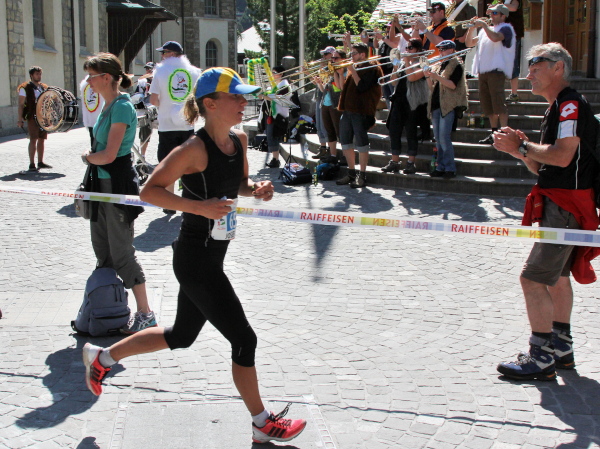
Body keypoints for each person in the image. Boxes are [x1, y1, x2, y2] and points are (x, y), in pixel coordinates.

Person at [82, 67, 307, 444]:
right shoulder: (192, 149)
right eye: (236, 96)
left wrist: (256, 189)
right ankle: (261, 422)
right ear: (211, 104)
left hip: (212, 256)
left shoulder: (238, 139)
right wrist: (198, 207)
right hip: (195, 260)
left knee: (182, 335)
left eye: (244, 96)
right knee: (244, 340)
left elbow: (238, 184)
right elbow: (149, 191)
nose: (243, 102)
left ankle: (101, 358)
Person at [493, 43, 600, 381]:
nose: (529, 74)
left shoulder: (569, 105)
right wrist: (521, 152)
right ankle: (561, 348)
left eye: (536, 66)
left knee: (533, 279)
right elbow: (545, 168)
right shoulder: (558, 107)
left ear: (558, 68)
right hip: (564, 201)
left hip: (566, 204)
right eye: (529, 67)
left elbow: (563, 157)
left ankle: (541, 357)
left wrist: (523, 146)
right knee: (558, 278)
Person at [80, 53, 156, 334]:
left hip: (116, 186)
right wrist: (92, 160)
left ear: (107, 77)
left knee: (122, 253)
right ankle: (110, 309)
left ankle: (146, 313)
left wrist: (87, 157)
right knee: (103, 251)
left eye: (91, 76)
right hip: (100, 186)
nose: (88, 81)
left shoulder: (121, 107)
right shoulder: (107, 106)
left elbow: (109, 155)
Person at [149, 41, 202, 214]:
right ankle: (188, 199)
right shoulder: (194, 71)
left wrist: (166, 105)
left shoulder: (160, 71)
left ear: (171, 54)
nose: (162, 56)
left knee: (167, 163)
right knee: (188, 163)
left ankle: (170, 204)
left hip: (167, 125)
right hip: (187, 123)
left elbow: (153, 99)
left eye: (164, 53)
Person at [465, 4, 515, 144]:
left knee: (499, 103)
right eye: (491, 13)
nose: (491, 16)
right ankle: (494, 133)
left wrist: (483, 25)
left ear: (503, 16)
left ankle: (504, 133)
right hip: (483, 72)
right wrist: (471, 28)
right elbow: (469, 43)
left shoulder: (506, 28)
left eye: (495, 13)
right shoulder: (485, 31)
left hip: (496, 71)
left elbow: (495, 38)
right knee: (488, 105)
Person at [336, 42, 382, 189]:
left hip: (361, 111)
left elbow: (362, 87)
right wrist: (340, 73)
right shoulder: (355, 68)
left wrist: (352, 70)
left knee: (361, 143)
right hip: (348, 110)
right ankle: (351, 172)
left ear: (362, 54)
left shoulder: (373, 69)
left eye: (354, 53)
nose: (351, 56)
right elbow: (344, 88)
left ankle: (362, 175)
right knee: (345, 142)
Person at [382, 38, 429, 175]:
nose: (407, 50)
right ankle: (394, 161)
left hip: (413, 102)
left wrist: (407, 61)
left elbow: (412, 78)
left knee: (411, 132)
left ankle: (410, 163)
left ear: (418, 50)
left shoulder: (422, 63)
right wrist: (396, 66)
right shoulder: (403, 64)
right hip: (399, 100)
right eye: (406, 48)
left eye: (410, 48)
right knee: (394, 130)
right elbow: (393, 82)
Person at [424, 40, 468, 179]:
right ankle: (440, 167)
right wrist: (428, 76)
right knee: (438, 139)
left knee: (444, 138)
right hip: (436, 104)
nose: (441, 52)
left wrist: (436, 76)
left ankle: (450, 168)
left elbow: (452, 85)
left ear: (451, 50)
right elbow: (432, 87)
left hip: (448, 105)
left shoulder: (457, 65)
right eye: (440, 49)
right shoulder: (438, 65)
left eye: (444, 49)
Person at [313, 50, 346, 164]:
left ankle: (345, 156)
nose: (333, 60)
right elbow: (324, 89)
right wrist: (319, 83)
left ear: (342, 59)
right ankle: (333, 155)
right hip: (325, 103)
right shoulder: (330, 70)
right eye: (332, 58)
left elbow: (339, 87)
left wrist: (336, 73)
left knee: (339, 131)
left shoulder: (344, 71)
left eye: (336, 58)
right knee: (329, 131)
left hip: (336, 104)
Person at [17, 66, 52, 173]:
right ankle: (32, 164)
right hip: (32, 116)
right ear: (31, 75)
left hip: (43, 117)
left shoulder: (43, 87)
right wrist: (20, 119)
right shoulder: (25, 88)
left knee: (42, 139)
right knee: (33, 139)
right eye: (37, 74)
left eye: (40, 74)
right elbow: (21, 104)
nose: (39, 76)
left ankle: (40, 162)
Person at [261, 66, 291, 168]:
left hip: (278, 115)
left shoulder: (284, 86)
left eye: (274, 72)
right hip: (271, 114)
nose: (272, 75)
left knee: (274, 135)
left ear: (281, 74)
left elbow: (277, 98)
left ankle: (276, 159)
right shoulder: (274, 86)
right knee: (270, 135)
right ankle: (275, 159)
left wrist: (263, 96)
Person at [312, 46, 336, 161]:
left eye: (326, 54)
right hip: (319, 96)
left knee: (324, 124)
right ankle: (322, 148)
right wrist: (308, 72)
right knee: (319, 124)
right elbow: (316, 83)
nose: (323, 57)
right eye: (324, 54)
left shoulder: (331, 69)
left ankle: (329, 151)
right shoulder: (323, 68)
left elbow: (327, 84)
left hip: (326, 98)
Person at [503, 0, 524, 103]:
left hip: (514, 35)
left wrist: (498, 6)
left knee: (513, 63)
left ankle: (514, 93)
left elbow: (514, 7)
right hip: (502, 34)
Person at [134, 62, 155, 157]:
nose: (148, 70)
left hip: (159, 109)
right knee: (144, 132)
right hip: (146, 110)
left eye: (150, 69)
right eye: (147, 69)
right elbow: (137, 95)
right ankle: (142, 156)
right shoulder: (142, 82)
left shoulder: (160, 80)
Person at [80, 76, 104, 150]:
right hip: (100, 119)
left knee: (93, 142)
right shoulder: (99, 82)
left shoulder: (84, 84)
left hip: (90, 119)